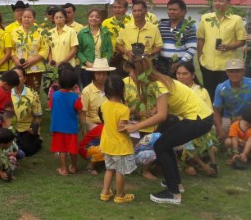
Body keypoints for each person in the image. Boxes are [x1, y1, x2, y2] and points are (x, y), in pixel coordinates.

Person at [120, 56, 213, 205]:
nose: (130, 75)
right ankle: (176, 185)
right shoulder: (153, 84)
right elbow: (153, 107)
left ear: (140, 72)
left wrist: (136, 127)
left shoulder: (159, 85)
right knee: (165, 144)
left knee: (160, 146)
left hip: (199, 119)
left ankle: (173, 194)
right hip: (197, 117)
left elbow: (162, 116)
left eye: (131, 71)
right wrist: (124, 111)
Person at [197, 0, 247, 101]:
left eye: (221, 1)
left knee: (225, 95)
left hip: (226, 66)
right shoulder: (206, 18)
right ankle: (210, 116)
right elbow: (201, 38)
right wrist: (200, 58)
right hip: (207, 64)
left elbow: (242, 40)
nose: (217, 3)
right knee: (209, 94)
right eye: (215, 1)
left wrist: (230, 46)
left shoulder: (236, 20)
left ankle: (224, 116)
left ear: (228, 3)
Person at [99, 75, 136, 204]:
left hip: (107, 143)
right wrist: (134, 126)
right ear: (122, 90)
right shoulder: (124, 109)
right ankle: (120, 195)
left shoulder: (104, 105)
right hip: (120, 146)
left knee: (109, 169)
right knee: (120, 172)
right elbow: (122, 128)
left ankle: (105, 193)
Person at [213, 59, 251, 141]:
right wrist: (219, 129)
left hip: (248, 117)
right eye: (231, 71)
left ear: (243, 72)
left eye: (237, 71)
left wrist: (245, 117)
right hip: (228, 118)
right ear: (227, 72)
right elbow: (216, 110)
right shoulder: (221, 87)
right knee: (213, 129)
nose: (234, 74)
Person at [50, 64, 83, 176]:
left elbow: (50, 106)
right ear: (73, 84)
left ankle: (63, 169)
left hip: (58, 127)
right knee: (73, 149)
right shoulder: (74, 97)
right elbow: (79, 108)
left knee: (62, 149)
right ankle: (73, 167)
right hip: (71, 127)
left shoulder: (55, 95)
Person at [10, 8, 49, 92]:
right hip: (18, 68)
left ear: (34, 19)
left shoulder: (40, 32)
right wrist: (16, 60)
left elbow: (45, 49)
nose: (26, 19)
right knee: (17, 93)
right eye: (24, 17)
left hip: (35, 68)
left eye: (29, 17)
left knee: (33, 92)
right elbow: (11, 49)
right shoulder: (14, 32)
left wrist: (34, 60)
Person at [157, 0, 197, 75]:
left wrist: (179, 63)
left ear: (182, 12)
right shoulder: (161, 26)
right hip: (163, 64)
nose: (171, 12)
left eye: (175, 10)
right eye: (169, 9)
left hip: (182, 65)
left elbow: (193, 48)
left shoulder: (188, 27)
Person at [8, 68, 42, 156]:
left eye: (18, 76)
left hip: (26, 129)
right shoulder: (7, 92)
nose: (15, 79)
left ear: (25, 79)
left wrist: (33, 129)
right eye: (13, 76)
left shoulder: (32, 94)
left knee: (29, 149)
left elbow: (37, 117)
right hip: (10, 128)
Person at [78, 9, 113, 88]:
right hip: (86, 67)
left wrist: (104, 61)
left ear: (100, 19)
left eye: (97, 17)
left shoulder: (105, 32)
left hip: (102, 68)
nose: (94, 18)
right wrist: (87, 62)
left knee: (103, 89)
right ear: (88, 18)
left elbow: (109, 50)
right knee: (87, 89)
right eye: (91, 16)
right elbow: (78, 51)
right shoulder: (82, 33)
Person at [81, 59, 116, 133]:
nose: (102, 76)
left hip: (110, 122)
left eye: (104, 74)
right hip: (93, 123)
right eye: (98, 74)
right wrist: (84, 132)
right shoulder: (87, 91)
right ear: (93, 74)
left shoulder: (112, 88)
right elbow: (83, 114)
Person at [225, 105, 251, 169]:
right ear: (250, 119)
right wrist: (235, 152)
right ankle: (233, 156)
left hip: (248, 148)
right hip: (237, 146)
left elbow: (250, 142)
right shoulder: (235, 125)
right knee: (228, 141)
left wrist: (245, 154)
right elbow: (234, 139)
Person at [103, 0, 131, 73]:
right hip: (110, 57)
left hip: (125, 57)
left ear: (126, 9)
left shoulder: (131, 22)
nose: (117, 10)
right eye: (115, 7)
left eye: (120, 7)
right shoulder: (106, 22)